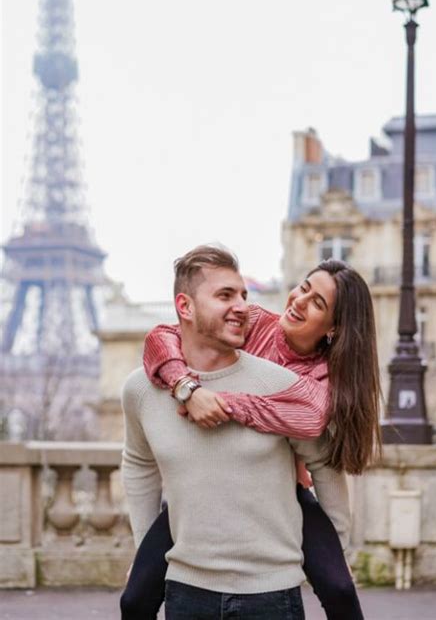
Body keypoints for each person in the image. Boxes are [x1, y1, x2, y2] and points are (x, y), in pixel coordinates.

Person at [121, 245, 358, 620]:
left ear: (333, 327)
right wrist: (186, 386)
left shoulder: (318, 381)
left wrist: (220, 402)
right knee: (134, 599)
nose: (298, 301)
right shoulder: (254, 322)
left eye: (317, 303)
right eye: (302, 287)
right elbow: (164, 335)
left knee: (341, 588)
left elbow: (313, 425)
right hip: (203, 500)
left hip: (282, 495)